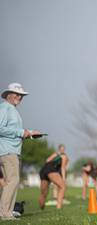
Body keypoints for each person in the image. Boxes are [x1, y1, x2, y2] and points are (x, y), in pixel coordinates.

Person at [0, 83, 41, 220]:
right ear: (9, 95)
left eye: (21, 95)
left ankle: (7, 212)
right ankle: (4, 213)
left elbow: (15, 132)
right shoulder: (5, 108)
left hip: (10, 150)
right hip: (7, 151)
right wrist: (22, 132)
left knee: (11, 181)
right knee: (13, 180)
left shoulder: (11, 109)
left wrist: (29, 134)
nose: (20, 97)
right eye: (17, 94)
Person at [39, 144, 69, 209]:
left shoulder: (55, 154)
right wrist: (64, 179)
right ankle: (59, 207)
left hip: (44, 169)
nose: (62, 150)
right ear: (60, 149)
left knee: (44, 192)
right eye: (62, 149)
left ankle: (41, 205)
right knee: (62, 187)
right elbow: (63, 168)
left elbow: (47, 160)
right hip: (51, 170)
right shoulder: (64, 156)